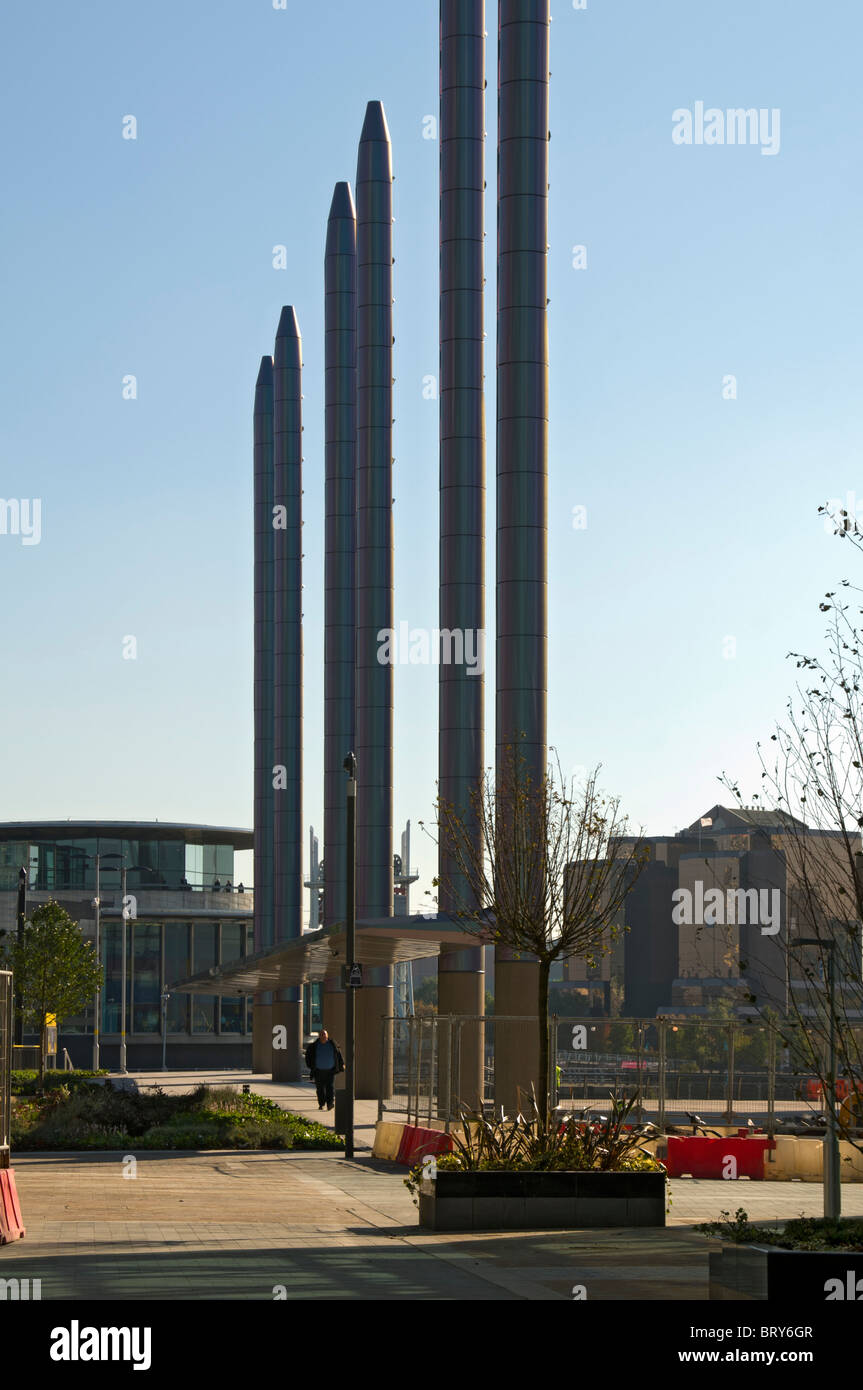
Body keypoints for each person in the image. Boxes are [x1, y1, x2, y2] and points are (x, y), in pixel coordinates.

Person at [304, 1029, 344, 1111]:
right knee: (320, 1089)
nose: (323, 1036)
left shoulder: (333, 1044)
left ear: (327, 1036)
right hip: (318, 1071)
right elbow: (308, 1057)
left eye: (324, 1035)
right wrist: (310, 1066)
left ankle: (330, 1104)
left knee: (330, 1088)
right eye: (321, 1035)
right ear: (319, 1036)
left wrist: (342, 1064)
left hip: (330, 1071)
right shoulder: (314, 1046)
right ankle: (321, 1104)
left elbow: (338, 1054)